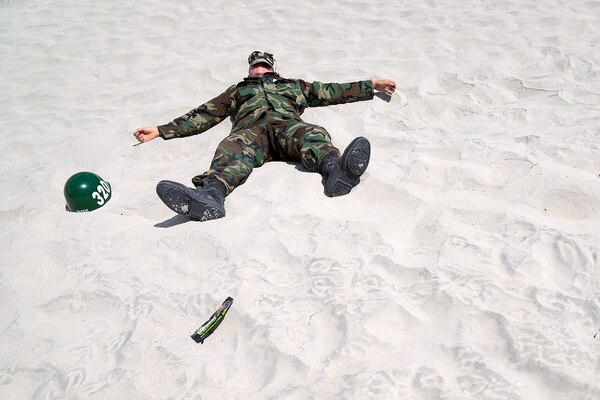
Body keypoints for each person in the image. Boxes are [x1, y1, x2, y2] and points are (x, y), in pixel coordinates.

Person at [134, 51, 397, 221]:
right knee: (231, 149)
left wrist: (371, 86)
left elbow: (331, 91)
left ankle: (337, 173)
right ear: (250, 70)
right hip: (251, 134)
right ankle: (210, 197)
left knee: (312, 135)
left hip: (287, 126)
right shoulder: (236, 91)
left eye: (263, 65)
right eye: (255, 66)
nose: (259, 69)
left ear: (272, 68)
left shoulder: (294, 86)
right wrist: (161, 130)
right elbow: (205, 114)